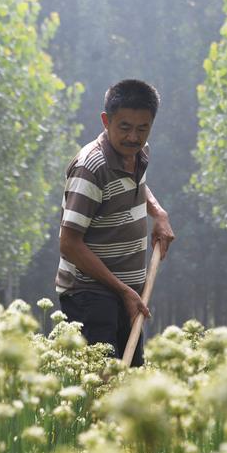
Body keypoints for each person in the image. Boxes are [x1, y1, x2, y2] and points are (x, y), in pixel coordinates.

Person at [56, 79, 175, 366]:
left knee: (128, 392)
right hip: (90, 295)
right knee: (101, 390)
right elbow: (69, 244)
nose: (133, 137)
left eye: (142, 128)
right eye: (124, 127)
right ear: (106, 121)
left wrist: (158, 213)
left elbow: (135, 186)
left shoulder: (137, 153)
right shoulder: (90, 168)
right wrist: (123, 291)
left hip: (128, 295)